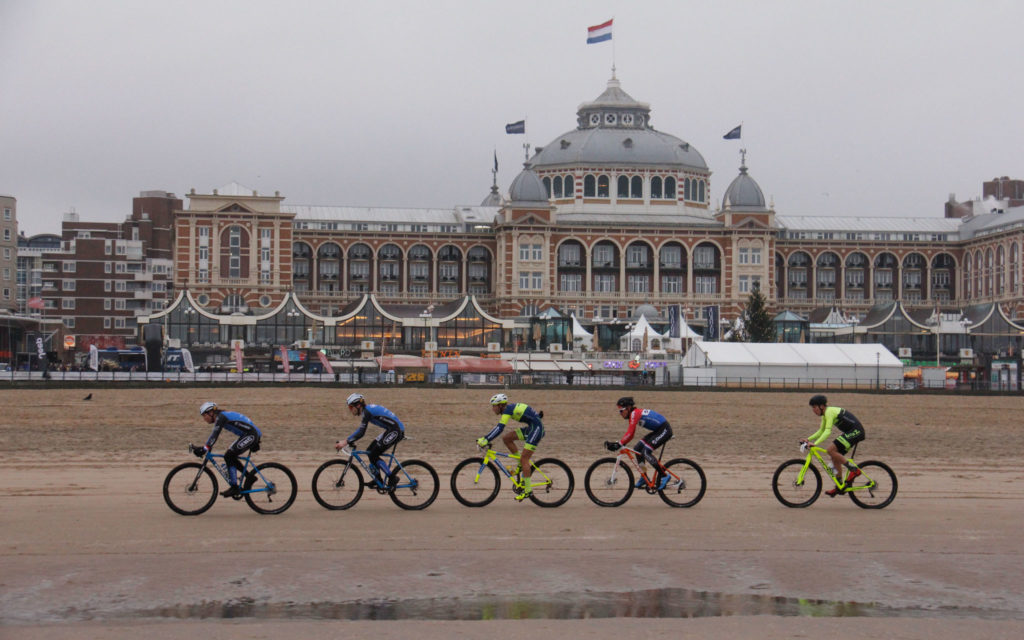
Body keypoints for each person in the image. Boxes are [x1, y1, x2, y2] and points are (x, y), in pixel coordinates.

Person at [477, 393, 544, 502]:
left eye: (494, 406)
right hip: (533, 426)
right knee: (507, 438)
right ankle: (520, 464)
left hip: (536, 429)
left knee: (524, 459)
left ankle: (528, 491)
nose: (492, 409)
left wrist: (485, 439)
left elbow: (499, 428)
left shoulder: (507, 410)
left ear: (500, 406)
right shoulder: (508, 409)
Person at [196, 401, 262, 499]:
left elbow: (215, 434)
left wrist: (205, 448)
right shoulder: (221, 416)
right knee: (230, 455)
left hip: (251, 434)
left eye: (204, 415)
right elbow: (213, 436)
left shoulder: (221, 417)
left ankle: (235, 487)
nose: (204, 419)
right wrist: (206, 446)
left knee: (229, 456)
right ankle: (250, 477)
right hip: (248, 434)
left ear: (210, 413)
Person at [802, 394, 865, 497]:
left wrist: (815, 443)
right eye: (812, 408)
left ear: (822, 406)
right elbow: (821, 431)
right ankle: (840, 486)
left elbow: (827, 431)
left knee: (830, 450)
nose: (813, 410)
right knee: (834, 456)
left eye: (814, 407)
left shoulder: (829, 412)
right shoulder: (825, 415)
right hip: (851, 432)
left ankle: (854, 470)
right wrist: (808, 439)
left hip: (856, 431)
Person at [604, 396, 672, 490]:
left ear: (628, 408)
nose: (620, 414)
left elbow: (631, 434)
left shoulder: (634, 414)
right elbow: (630, 434)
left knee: (645, 452)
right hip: (658, 430)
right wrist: (621, 443)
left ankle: (664, 475)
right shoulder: (633, 414)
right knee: (637, 449)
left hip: (664, 430)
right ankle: (644, 476)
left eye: (621, 411)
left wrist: (620, 443)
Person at [338, 392, 404, 486]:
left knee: (374, 454)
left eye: (350, 407)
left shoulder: (367, 412)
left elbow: (361, 432)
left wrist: (346, 441)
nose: (350, 410)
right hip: (391, 429)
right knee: (370, 451)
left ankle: (392, 477)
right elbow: (360, 431)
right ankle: (378, 480)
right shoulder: (367, 410)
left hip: (396, 430)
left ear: (358, 405)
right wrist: (349, 440)